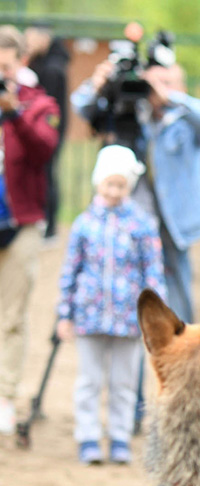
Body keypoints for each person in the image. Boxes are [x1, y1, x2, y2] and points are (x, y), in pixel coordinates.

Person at [72, 57, 200, 324]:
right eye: (153, 82)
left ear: (182, 86)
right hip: (139, 217)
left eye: (167, 82)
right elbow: (81, 108)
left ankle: (181, 339)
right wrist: (98, 85)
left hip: (176, 221)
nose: (156, 89)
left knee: (177, 281)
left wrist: (170, 98)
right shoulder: (133, 118)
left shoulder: (189, 121)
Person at [56, 145, 165, 464]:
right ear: (98, 183)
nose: (115, 191)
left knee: (123, 382)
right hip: (89, 317)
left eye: (121, 185)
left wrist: (156, 317)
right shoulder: (84, 224)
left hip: (128, 320)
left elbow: (153, 272)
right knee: (89, 380)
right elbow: (70, 271)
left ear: (128, 186)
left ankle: (119, 436)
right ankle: (87, 436)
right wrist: (65, 313)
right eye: (109, 184)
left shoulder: (142, 225)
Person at [0, 25, 60, 435]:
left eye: (4, 64)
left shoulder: (39, 103)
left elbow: (45, 148)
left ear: (20, 61)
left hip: (20, 221)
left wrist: (12, 112)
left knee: (12, 316)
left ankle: (5, 397)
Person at [23, 23, 69, 244]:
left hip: (49, 131)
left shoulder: (52, 69)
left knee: (48, 175)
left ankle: (50, 226)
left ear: (44, 39)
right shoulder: (48, 63)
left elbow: (47, 105)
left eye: (31, 39)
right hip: (46, 129)